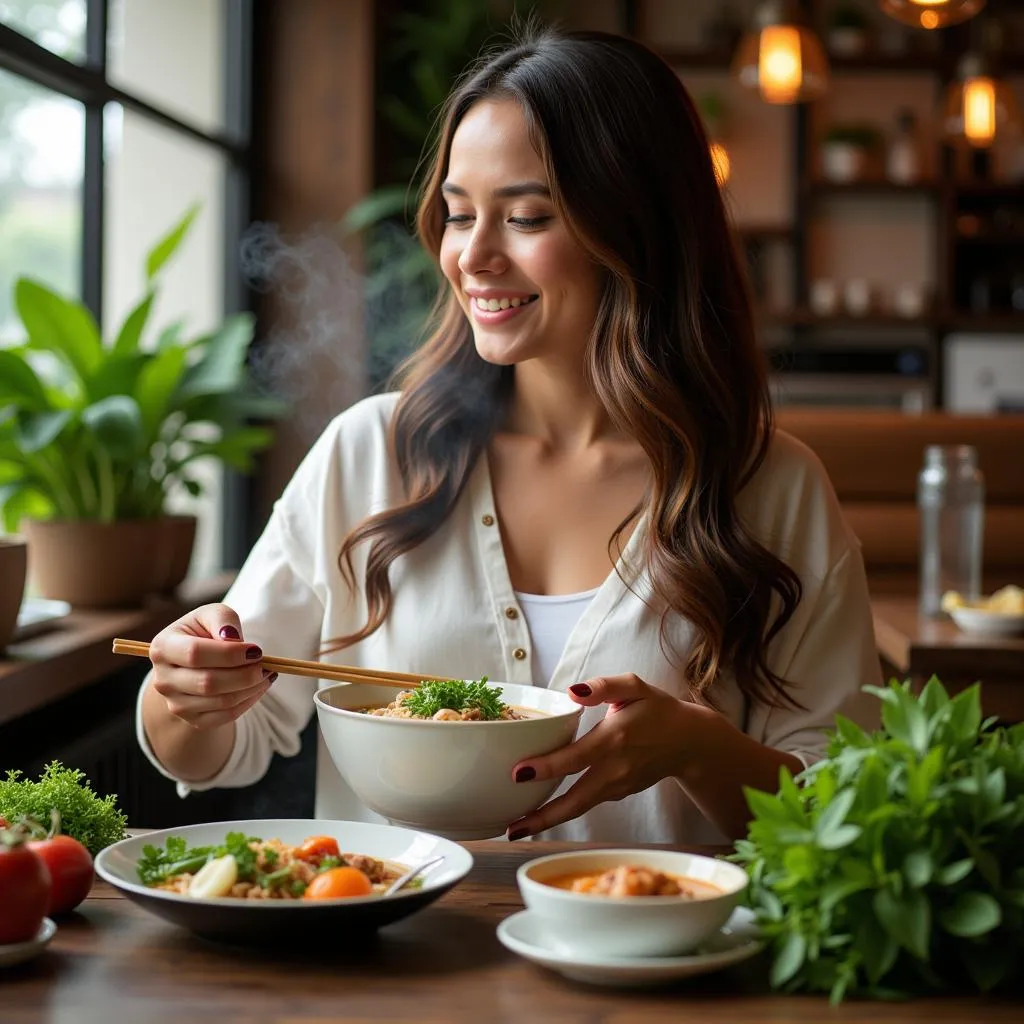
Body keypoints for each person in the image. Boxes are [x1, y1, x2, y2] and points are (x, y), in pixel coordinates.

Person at [138, 25, 881, 846]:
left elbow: (846, 809)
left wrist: (699, 750)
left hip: (656, 961)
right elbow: (219, 751)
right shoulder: (371, 455)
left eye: (526, 217)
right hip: (384, 957)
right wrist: (183, 689)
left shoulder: (769, 486)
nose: (473, 257)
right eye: (459, 215)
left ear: (638, 229)